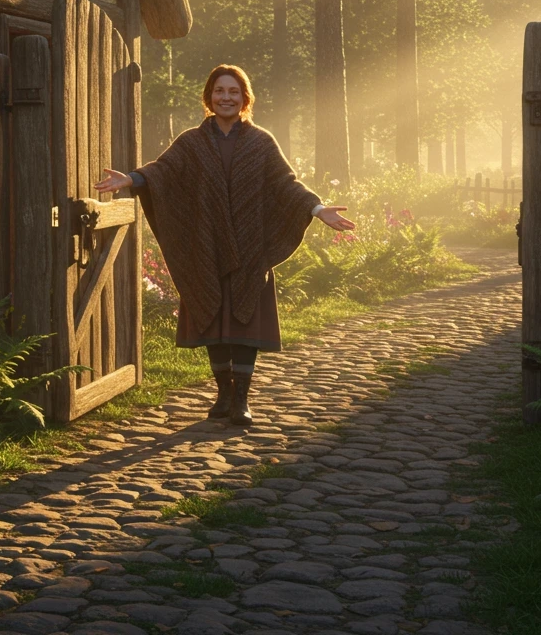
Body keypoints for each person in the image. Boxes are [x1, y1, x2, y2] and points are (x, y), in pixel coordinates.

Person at [94, 64, 355, 425]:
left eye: (233, 92)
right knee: (213, 318)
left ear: (244, 98)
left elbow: (286, 183)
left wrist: (317, 207)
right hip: (207, 246)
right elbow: (164, 171)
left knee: (244, 324)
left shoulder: (262, 142)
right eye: (219, 91)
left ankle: (242, 400)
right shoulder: (192, 141)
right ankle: (223, 394)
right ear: (209, 97)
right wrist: (133, 179)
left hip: (250, 249)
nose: (226, 97)